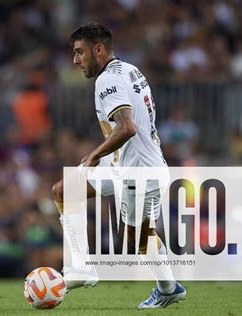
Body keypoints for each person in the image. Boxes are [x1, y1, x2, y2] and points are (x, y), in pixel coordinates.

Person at [52, 22, 186, 309]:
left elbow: (127, 128)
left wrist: (91, 157)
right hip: (123, 166)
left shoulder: (106, 81)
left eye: (79, 52)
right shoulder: (129, 69)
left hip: (140, 172)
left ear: (98, 49)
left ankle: (169, 288)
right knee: (65, 190)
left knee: (137, 240)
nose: (75, 60)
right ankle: (81, 267)